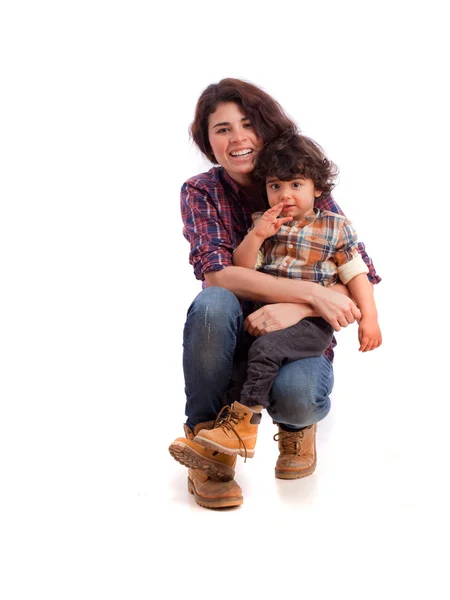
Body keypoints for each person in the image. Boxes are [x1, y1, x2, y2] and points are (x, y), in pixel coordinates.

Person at [169, 78, 381, 509]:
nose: (238, 138)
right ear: (208, 141)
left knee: (298, 398)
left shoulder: (302, 181)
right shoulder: (201, 191)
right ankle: (210, 448)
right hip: (237, 328)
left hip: (297, 332)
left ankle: (297, 428)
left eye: (248, 124)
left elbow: (358, 270)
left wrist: (297, 306)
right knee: (212, 304)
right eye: (222, 128)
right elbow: (219, 275)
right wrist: (310, 291)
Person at [192, 133, 382, 460]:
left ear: (317, 188)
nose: (285, 194)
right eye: (275, 186)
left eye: (296, 185)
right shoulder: (265, 224)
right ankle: (220, 439)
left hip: (311, 324)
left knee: (265, 350)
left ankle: (244, 426)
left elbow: (356, 273)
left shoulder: (335, 227)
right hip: (266, 317)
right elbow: (243, 270)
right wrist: (257, 235)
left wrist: (371, 319)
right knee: (242, 361)